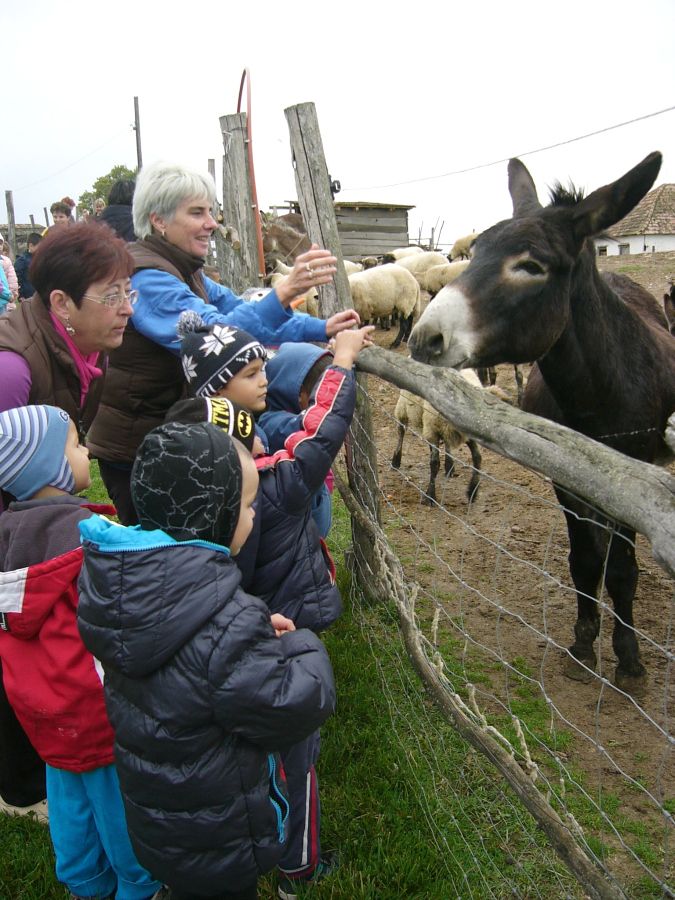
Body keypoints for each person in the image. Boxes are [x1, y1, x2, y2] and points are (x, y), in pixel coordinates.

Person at [77, 421, 336, 900]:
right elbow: (293, 704)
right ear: (214, 516)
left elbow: (197, 669)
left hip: (158, 818)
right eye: (247, 506)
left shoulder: (124, 594)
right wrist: (301, 644)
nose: (254, 516)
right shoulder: (223, 622)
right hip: (221, 832)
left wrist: (249, 633)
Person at [175, 322, 373, 899]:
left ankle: (249, 840)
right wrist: (343, 362)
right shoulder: (277, 484)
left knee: (244, 751)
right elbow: (322, 429)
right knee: (296, 753)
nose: (265, 446)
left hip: (230, 639)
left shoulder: (187, 491)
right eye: (251, 373)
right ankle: (298, 867)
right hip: (284, 637)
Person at [87, 160, 360, 525]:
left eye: (210, 212)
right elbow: (222, 336)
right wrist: (284, 291)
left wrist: (321, 326)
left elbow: (238, 308)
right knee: (161, 543)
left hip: (169, 432)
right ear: (159, 220)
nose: (211, 223)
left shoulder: (187, 271)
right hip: (138, 444)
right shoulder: (148, 278)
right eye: (196, 212)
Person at [0, 404, 164, 900]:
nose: (87, 450)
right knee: (118, 806)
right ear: (48, 468)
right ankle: (138, 884)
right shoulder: (86, 540)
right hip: (97, 709)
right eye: (74, 444)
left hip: (41, 710)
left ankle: (85, 883)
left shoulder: (8, 538)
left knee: (68, 793)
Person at [0, 221, 134, 816]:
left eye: (129, 291)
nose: (127, 308)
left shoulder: (82, 349)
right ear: (61, 303)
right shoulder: (12, 370)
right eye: (112, 295)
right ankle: (20, 787)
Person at [259, 343, 336, 538]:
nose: (329, 402)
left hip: (312, 505)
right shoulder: (272, 422)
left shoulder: (285, 414)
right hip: (300, 525)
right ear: (300, 394)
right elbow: (316, 424)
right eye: (319, 396)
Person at [13, 232, 42, 300]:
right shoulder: (22, 260)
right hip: (28, 296)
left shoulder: (41, 259)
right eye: (40, 247)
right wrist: (21, 295)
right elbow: (17, 279)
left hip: (40, 295)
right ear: (31, 245)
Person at [0, 238, 19, 304]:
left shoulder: (6, 261)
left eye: (0, 244)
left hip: (5, 300)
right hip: (6, 297)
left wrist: (13, 293)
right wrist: (9, 296)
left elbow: (12, 279)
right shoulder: (7, 261)